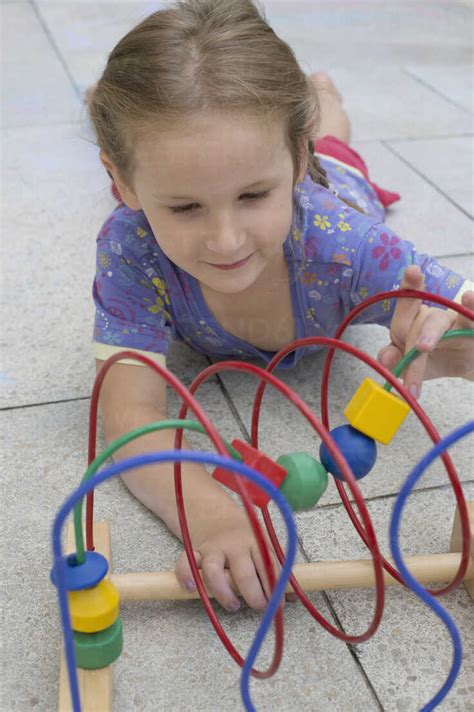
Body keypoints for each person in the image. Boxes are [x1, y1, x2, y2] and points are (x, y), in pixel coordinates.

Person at [86, 0, 473, 614]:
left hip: (334, 184)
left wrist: (451, 346)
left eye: (252, 195)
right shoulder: (129, 247)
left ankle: (324, 105)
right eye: (185, 207)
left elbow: (454, 317)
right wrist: (207, 513)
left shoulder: (347, 247)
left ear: (292, 160)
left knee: (341, 148)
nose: (227, 240)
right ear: (124, 182)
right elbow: (129, 419)